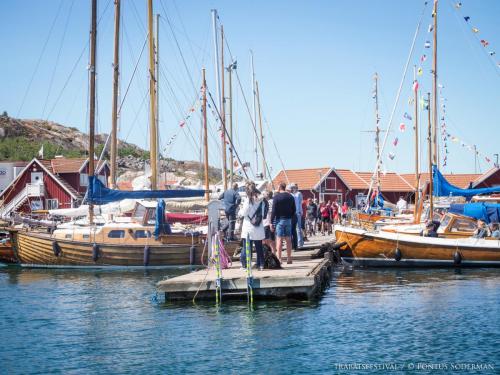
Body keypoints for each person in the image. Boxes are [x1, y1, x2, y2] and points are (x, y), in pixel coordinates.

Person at [239, 183, 266, 270]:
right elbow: (263, 213)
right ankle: (261, 264)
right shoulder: (261, 200)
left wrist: (240, 211)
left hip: (249, 227)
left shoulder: (248, 200)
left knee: (247, 247)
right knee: (259, 248)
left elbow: (244, 213)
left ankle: (246, 265)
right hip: (258, 226)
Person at [270, 182, 296, 264]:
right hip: (288, 219)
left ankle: (279, 259)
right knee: (288, 239)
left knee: (279, 239)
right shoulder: (290, 196)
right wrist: (290, 216)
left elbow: (273, 210)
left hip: (279, 220)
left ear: (279, 187)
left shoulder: (276, 197)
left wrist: (271, 221)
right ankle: (289, 258)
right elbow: (294, 209)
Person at [290, 183, 304, 248]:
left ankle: (300, 242)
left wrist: (300, 211)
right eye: (292, 187)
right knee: (294, 229)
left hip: (298, 213)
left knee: (299, 228)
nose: (293, 188)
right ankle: (296, 242)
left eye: (294, 187)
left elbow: (300, 203)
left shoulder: (299, 194)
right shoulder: (291, 195)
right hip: (293, 213)